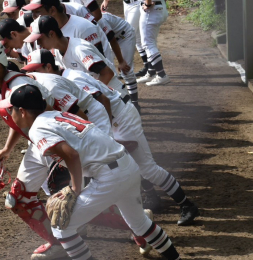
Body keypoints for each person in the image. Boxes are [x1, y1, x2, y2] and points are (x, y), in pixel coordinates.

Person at [0, 84, 197, 260]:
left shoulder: (37, 129)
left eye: (11, 109)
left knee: (61, 227)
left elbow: (71, 155)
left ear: (21, 111)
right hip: (127, 166)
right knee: (140, 224)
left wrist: (75, 190)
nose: (9, 113)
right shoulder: (57, 115)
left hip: (110, 176)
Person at [23, 48, 201, 224]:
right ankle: (152, 198)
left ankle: (186, 204)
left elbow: (103, 100)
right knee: (125, 163)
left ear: (47, 68)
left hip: (121, 117)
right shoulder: (58, 81)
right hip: (110, 119)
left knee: (146, 167)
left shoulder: (71, 78)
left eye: (34, 70)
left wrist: (106, 135)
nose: (32, 76)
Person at [0, 40, 66, 260]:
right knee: (17, 199)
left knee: (71, 201)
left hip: (57, 144)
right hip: (38, 146)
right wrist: (7, 148)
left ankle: (135, 223)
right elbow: (18, 122)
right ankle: (59, 244)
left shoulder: (20, 88)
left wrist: (60, 156)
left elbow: (49, 122)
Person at [24, 15, 127, 97]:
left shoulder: (79, 49)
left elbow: (107, 74)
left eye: (39, 39)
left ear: (51, 34)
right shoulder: (57, 52)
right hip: (104, 100)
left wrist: (93, 98)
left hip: (117, 98)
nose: (38, 43)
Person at [24, 0, 116, 64]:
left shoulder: (83, 28)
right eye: (32, 13)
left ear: (52, 10)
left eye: (37, 12)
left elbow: (103, 70)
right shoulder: (40, 32)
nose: (33, 17)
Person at [97, 11, 140, 111]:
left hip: (125, 36)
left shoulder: (100, 19)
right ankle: (118, 99)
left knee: (126, 70)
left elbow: (112, 40)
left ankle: (135, 104)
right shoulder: (85, 20)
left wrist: (121, 61)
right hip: (111, 40)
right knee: (107, 68)